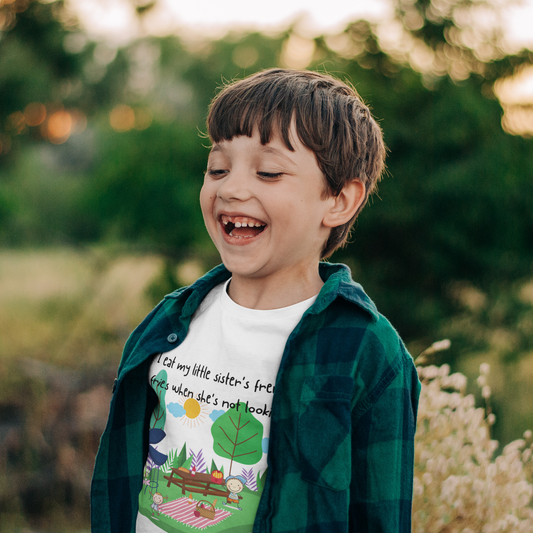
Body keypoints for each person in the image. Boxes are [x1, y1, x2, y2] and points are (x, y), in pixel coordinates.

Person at [91, 68, 421, 533]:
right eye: (218, 168)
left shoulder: (366, 349)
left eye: (267, 172)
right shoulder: (169, 322)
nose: (230, 188)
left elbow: (380, 515)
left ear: (340, 200)